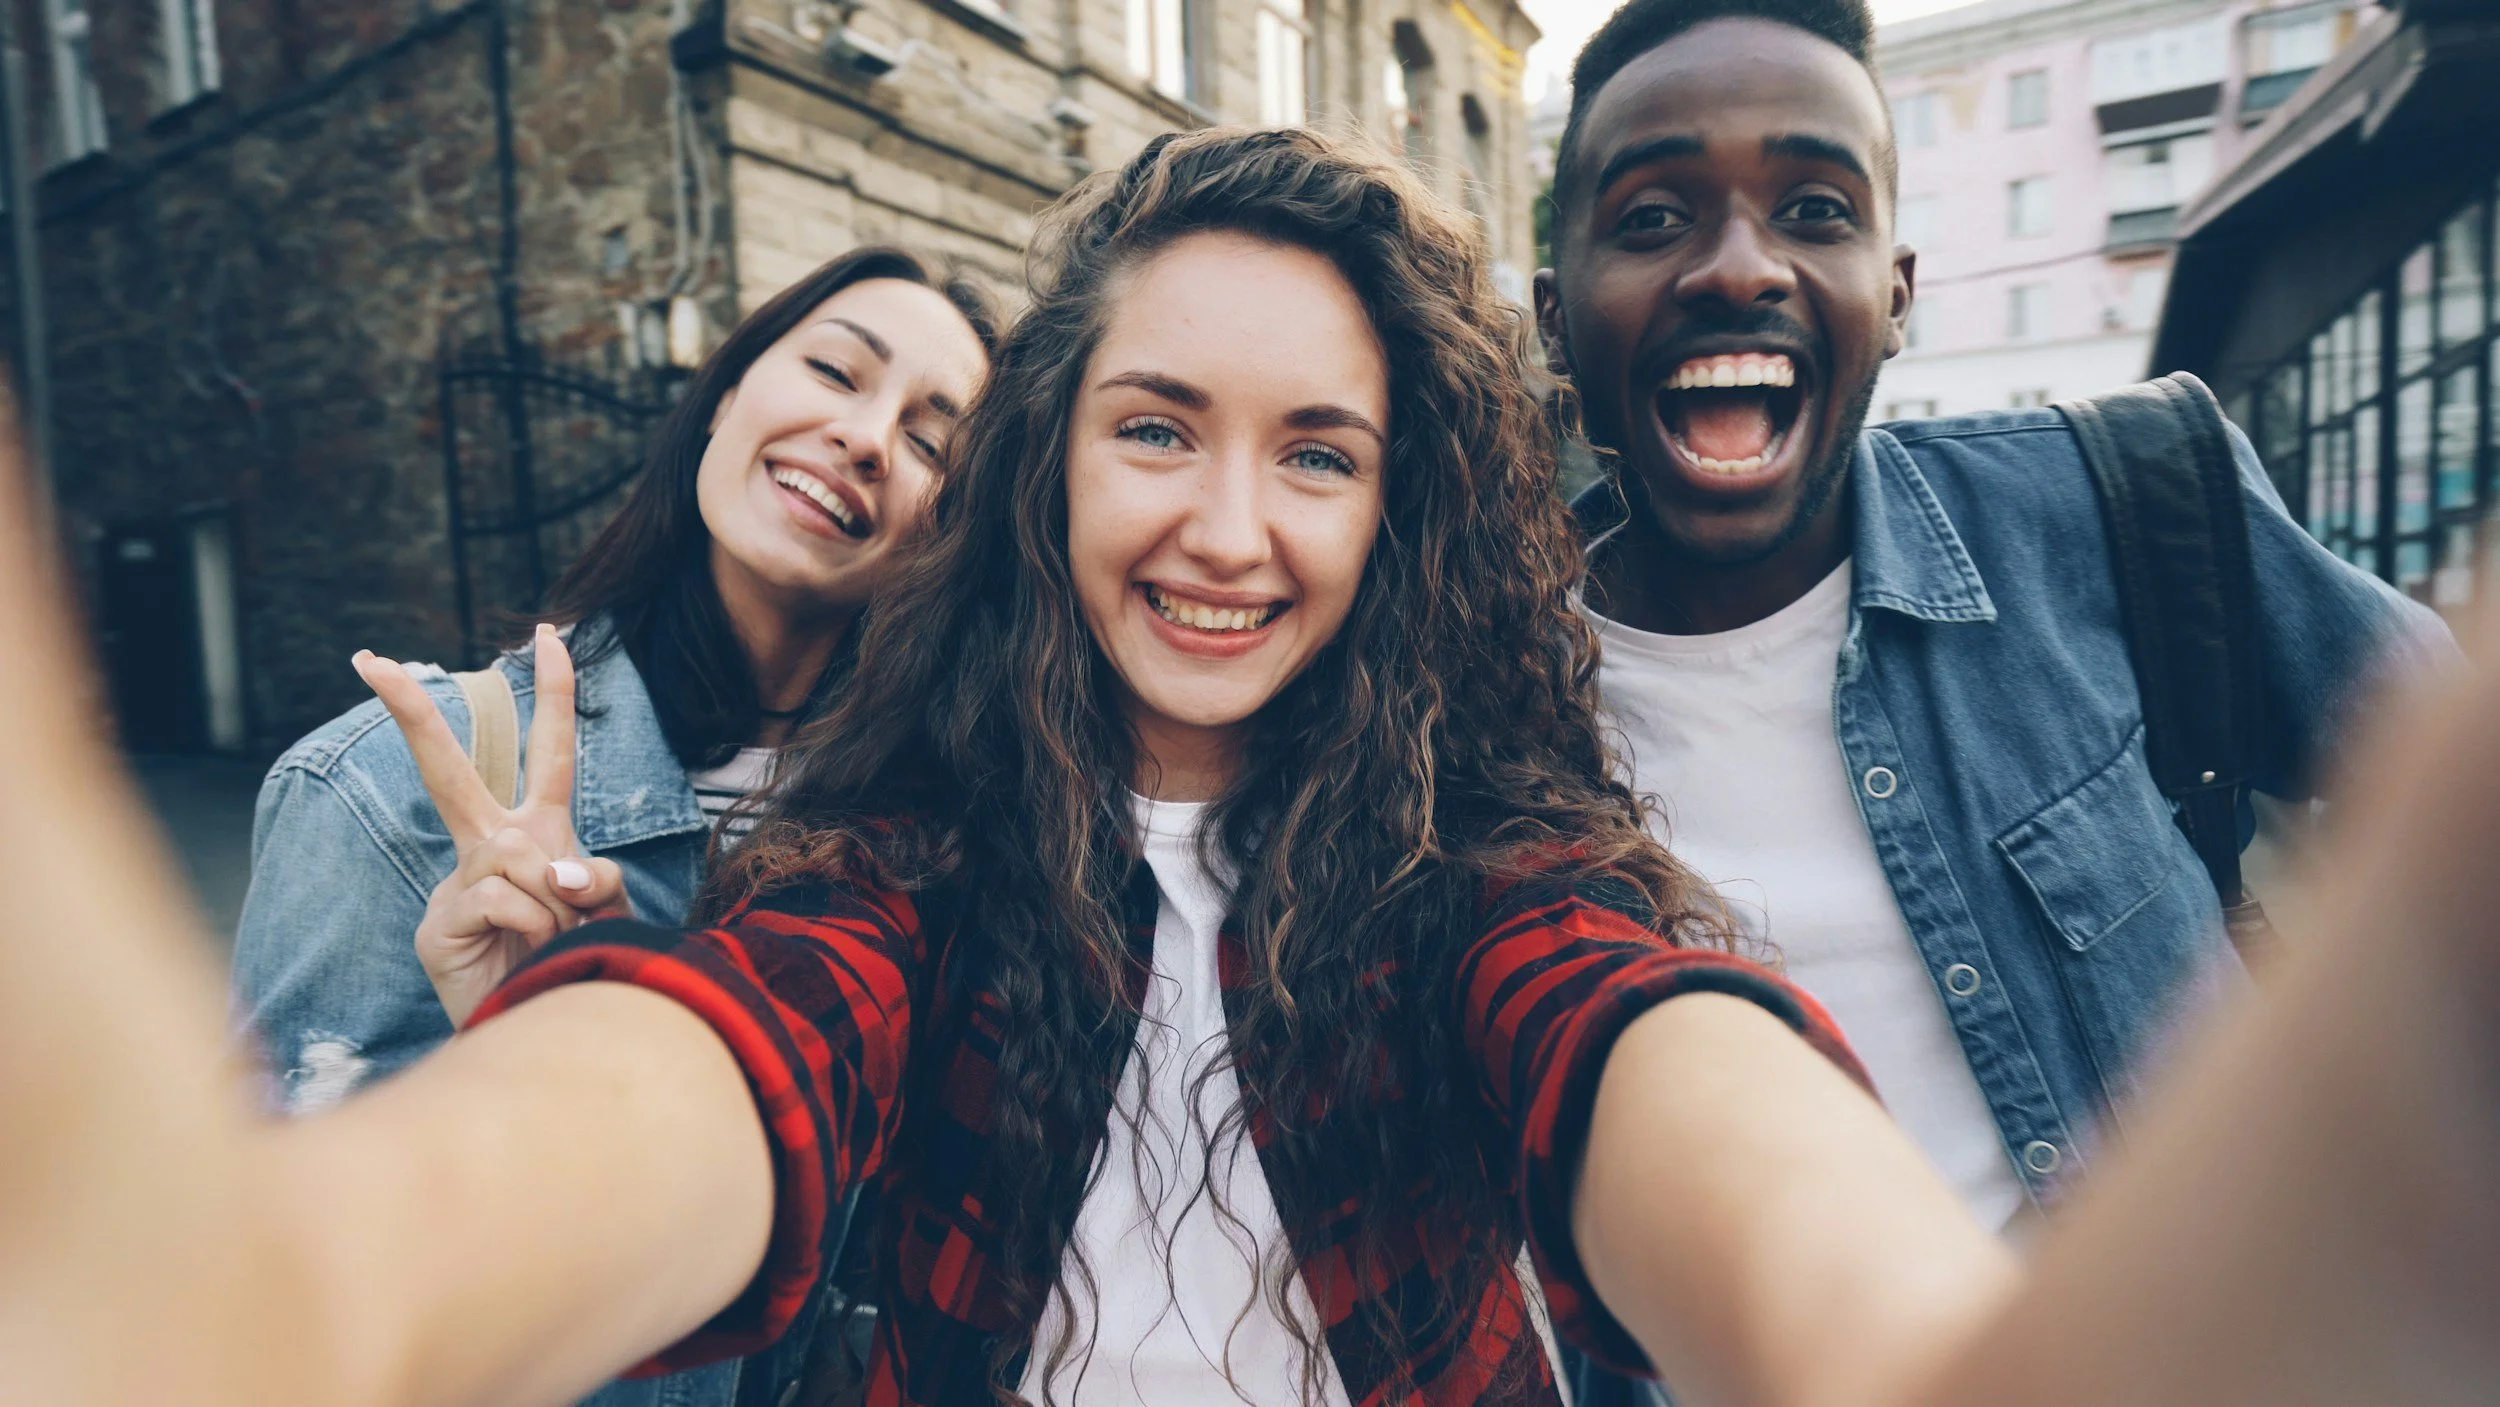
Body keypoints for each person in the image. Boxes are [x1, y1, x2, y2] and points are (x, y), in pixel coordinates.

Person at [7, 125, 2500, 1407]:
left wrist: (1944, 1355)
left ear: (1403, 502)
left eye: (1315, 450)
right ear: (1047, 469)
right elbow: (717, 1071)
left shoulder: (1497, 870)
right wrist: (301, 1298)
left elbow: (1675, 1086)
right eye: (1156, 429)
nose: (1224, 527)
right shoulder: (886, 854)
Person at [1534, 0, 2441, 1286]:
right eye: (1651, 219)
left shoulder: (2117, 510)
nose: (1736, 268)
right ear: (1556, 321)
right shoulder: (1463, 715)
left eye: (1814, 210)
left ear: (1894, 295)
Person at [229, 244, 996, 1407]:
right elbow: (267, 1290)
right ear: (727, 396)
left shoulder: (908, 852)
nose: (867, 437)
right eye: (837, 372)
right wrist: (508, 1054)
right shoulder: (386, 787)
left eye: (933, 440)